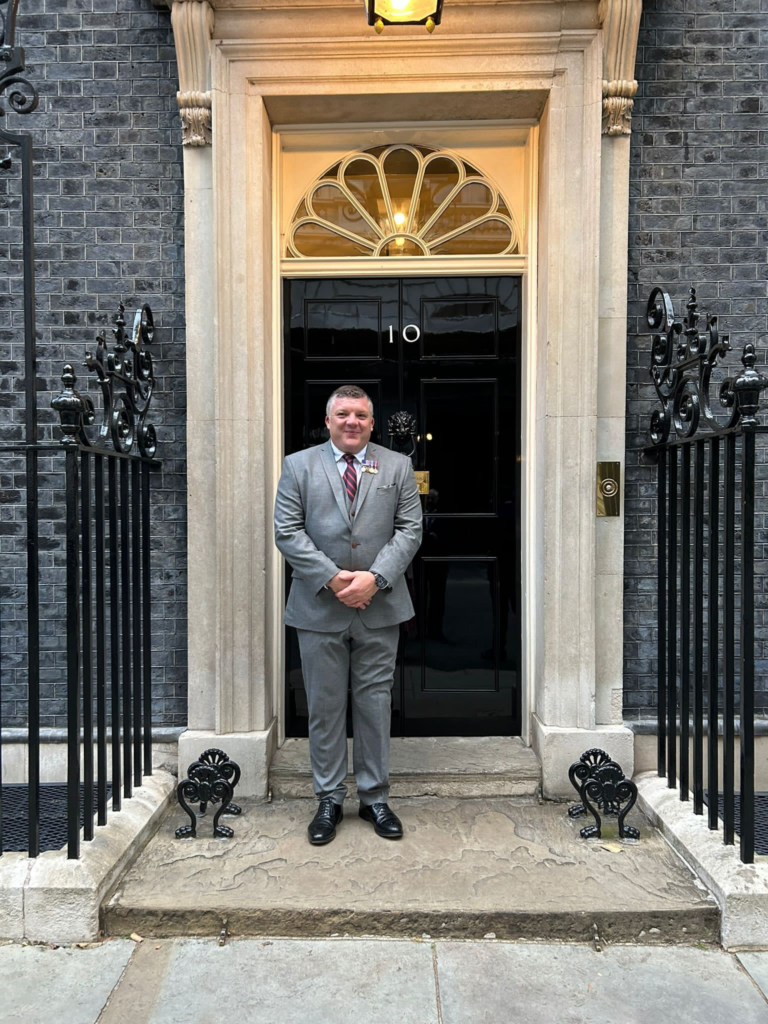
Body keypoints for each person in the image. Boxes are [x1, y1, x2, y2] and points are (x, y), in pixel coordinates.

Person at [274, 385, 422, 844]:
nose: (352, 421)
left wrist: (373, 580)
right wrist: (338, 580)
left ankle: (375, 797)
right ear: (329, 420)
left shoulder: (397, 466)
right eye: (343, 414)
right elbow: (287, 530)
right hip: (319, 607)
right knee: (324, 705)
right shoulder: (298, 465)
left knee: (375, 705)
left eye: (360, 414)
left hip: (380, 607)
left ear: (372, 423)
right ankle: (329, 799)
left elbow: (410, 529)